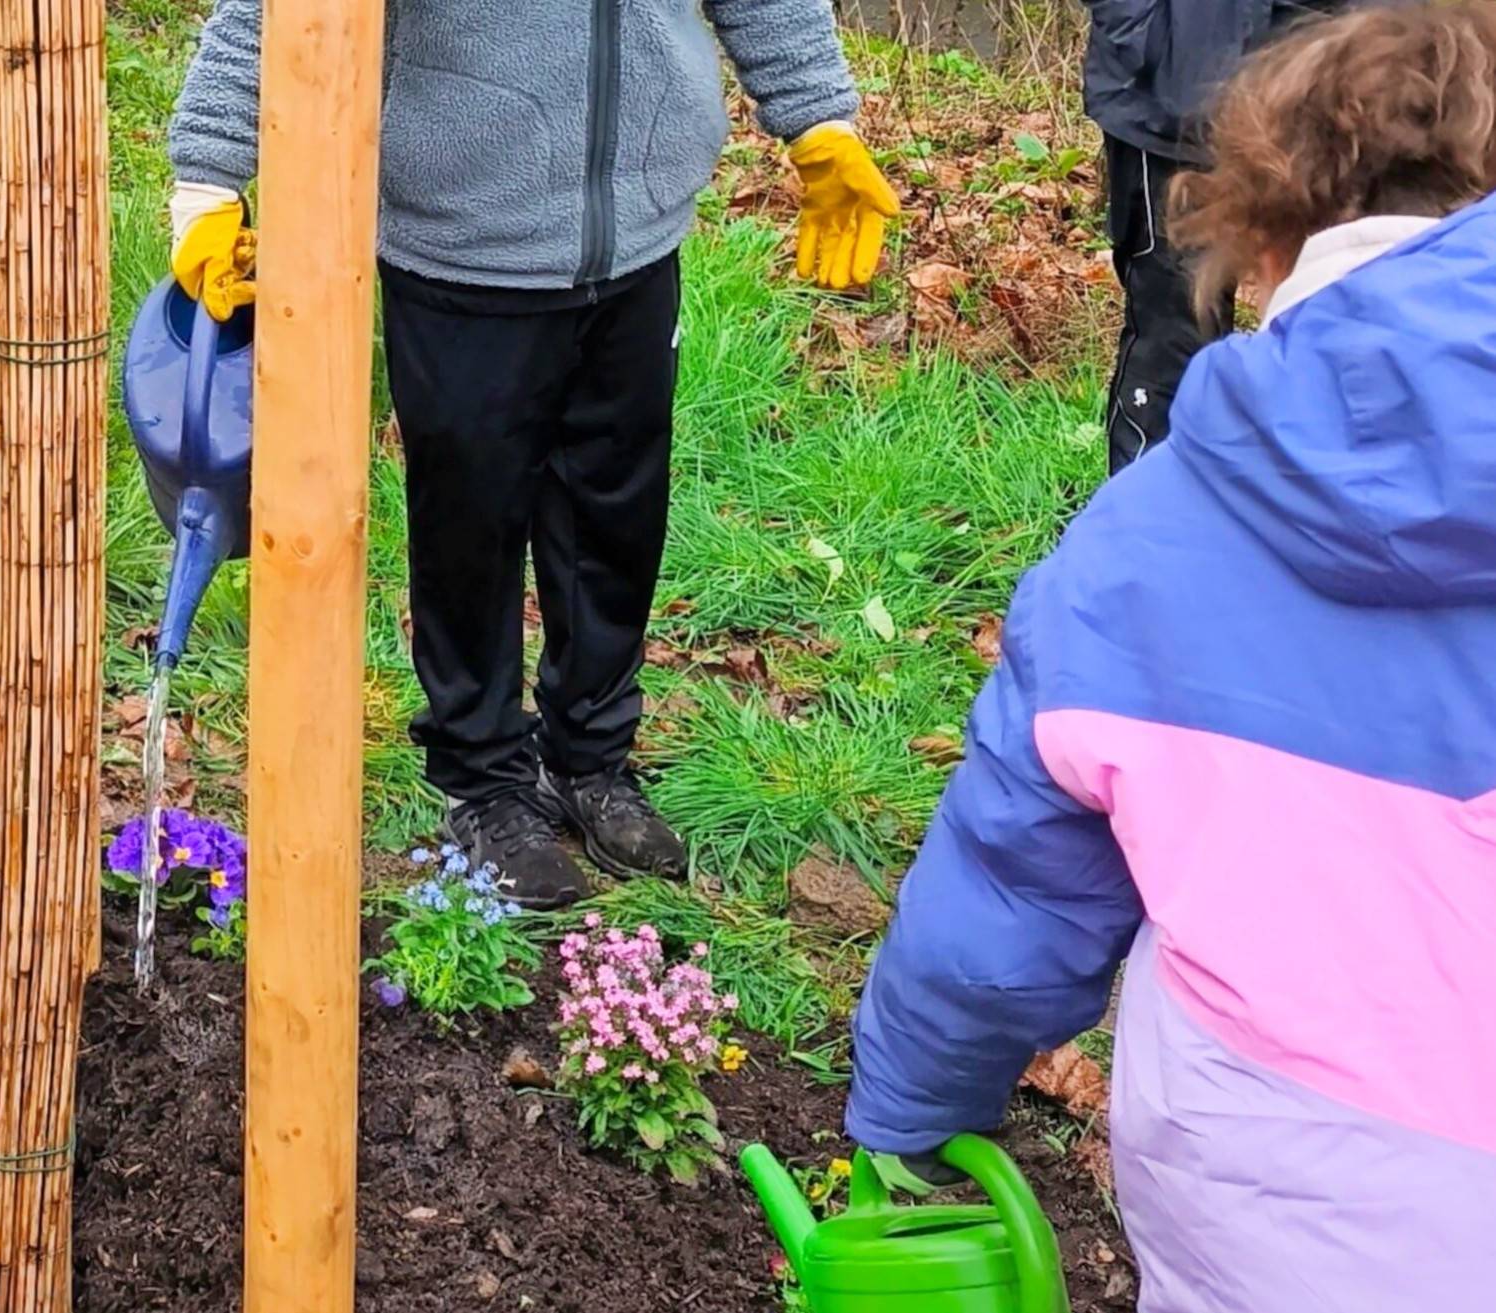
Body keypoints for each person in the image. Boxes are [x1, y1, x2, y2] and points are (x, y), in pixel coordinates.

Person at [846, 6, 1496, 1309]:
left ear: (1254, 247)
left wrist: (907, 1115)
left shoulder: (1134, 551)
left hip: (1267, 1185)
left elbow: (1009, 906)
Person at [166, 0, 898, 909]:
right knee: (469, 526)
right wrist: (208, 173)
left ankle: (589, 760)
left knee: (616, 516)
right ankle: (481, 781)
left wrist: (818, 118)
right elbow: (274, 10)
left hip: (636, 241)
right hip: (461, 249)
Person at [1084, 0, 1342, 472]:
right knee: (1176, 332)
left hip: (1344, 88)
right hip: (1169, 91)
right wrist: (1145, 36)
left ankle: (1312, 529)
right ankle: (1147, 528)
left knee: (1343, 326)